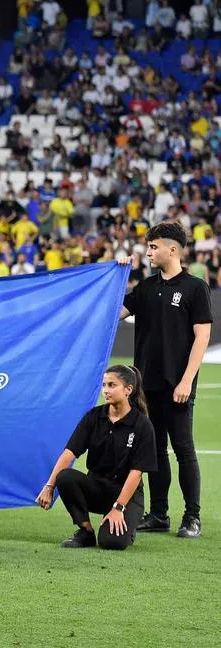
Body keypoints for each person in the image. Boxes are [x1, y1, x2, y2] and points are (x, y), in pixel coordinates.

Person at [119, 222, 211, 538]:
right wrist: (116, 277)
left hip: (178, 384)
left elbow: (202, 337)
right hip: (146, 386)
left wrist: (187, 380)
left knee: (183, 449)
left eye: (153, 247)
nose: (148, 252)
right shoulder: (144, 288)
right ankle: (159, 514)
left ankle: (192, 517)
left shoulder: (195, 288)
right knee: (154, 451)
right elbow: (114, 312)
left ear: (172, 249)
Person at [37, 365, 157, 550]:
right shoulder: (94, 416)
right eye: (104, 385)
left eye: (112, 385)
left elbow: (136, 472)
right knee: (66, 476)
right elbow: (69, 453)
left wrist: (119, 507)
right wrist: (49, 486)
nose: (106, 390)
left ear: (128, 390)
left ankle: (126, 526)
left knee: (112, 543)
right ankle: (86, 532)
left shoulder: (142, 425)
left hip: (126, 493)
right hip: (96, 487)